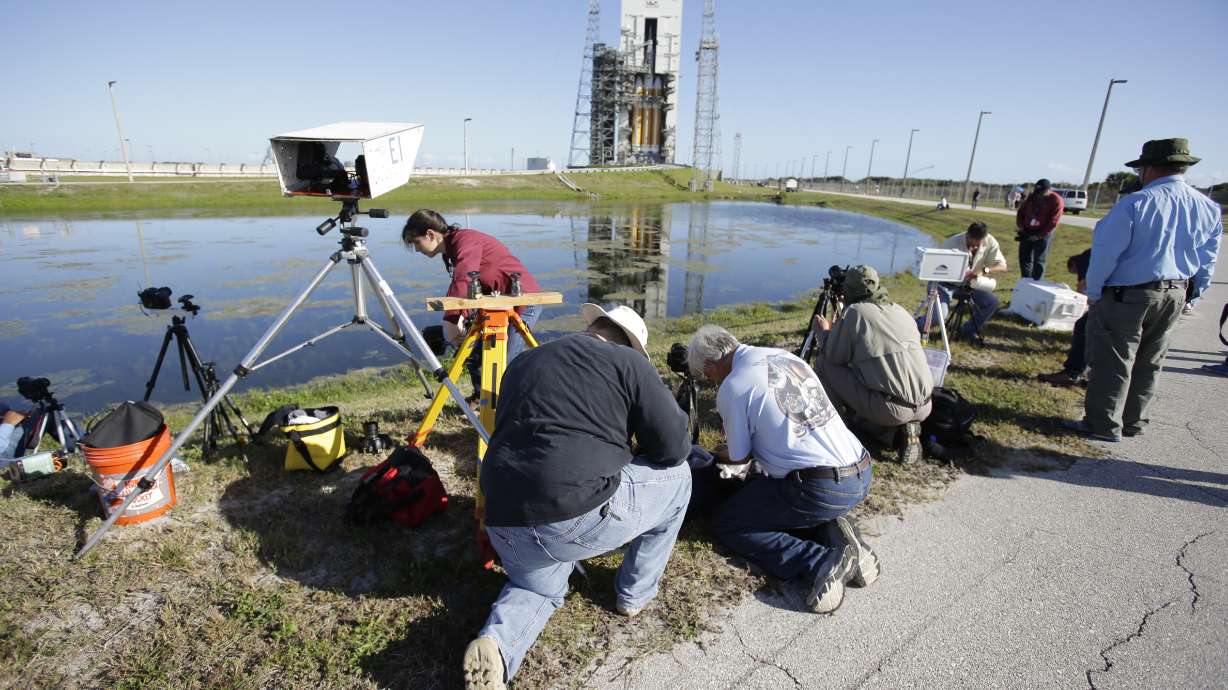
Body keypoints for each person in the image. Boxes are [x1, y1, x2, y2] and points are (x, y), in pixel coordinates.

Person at [463, 304, 692, 689]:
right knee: (680, 479)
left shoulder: (524, 361)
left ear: (594, 327)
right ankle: (635, 594)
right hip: (571, 513)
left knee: (539, 587)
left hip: (503, 517)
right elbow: (674, 449)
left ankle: (497, 647)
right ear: (632, 346)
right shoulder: (630, 364)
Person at [686, 325, 879, 615]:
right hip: (860, 472)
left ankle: (818, 562)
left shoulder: (734, 385)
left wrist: (716, 452)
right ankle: (834, 530)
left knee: (729, 521)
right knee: (768, 498)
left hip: (820, 487)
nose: (710, 381)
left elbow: (739, 460)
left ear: (711, 363)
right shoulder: (783, 356)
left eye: (706, 375)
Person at [1066, 138, 1222, 442]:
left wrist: (1094, 292)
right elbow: (1208, 258)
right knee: (1151, 360)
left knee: (1114, 359)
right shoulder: (1207, 208)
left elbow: (1105, 253)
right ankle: (1133, 421)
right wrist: (1194, 293)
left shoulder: (1135, 204)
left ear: (1148, 169)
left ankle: (1102, 424)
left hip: (1129, 295)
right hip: (1175, 292)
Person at [402, 209, 542, 403]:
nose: (417, 249)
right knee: (473, 351)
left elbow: (465, 276)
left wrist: (452, 319)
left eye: (416, 242)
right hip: (496, 303)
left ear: (430, 234)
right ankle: (481, 397)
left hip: (523, 301)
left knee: (505, 360)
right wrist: (462, 315)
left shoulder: (466, 241)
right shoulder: (451, 249)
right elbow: (465, 286)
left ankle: (507, 406)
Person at [810, 266, 934, 463]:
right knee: (873, 376)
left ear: (848, 289)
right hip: (926, 405)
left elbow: (834, 357)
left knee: (825, 364)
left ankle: (837, 436)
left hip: (890, 409)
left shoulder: (855, 313)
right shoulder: (900, 310)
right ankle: (896, 434)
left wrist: (824, 333)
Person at [923, 222, 1009, 340]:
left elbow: (1003, 266)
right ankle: (914, 327)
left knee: (991, 302)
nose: (973, 248)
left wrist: (985, 270)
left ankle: (967, 331)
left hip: (969, 284)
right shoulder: (951, 243)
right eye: (971, 245)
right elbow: (934, 268)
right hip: (943, 284)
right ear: (967, 235)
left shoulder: (990, 242)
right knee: (939, 316)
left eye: (977, 246)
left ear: (984, 239)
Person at [1038, 249, 1092, 386]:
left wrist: (1083, 302)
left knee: (1084, 326)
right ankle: (1098, 378)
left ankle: (1073, 373)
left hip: (1115, 296)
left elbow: (1082, 284)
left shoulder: (1083, 260)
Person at [1015, 178, 1065, 280]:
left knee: (1039, 259)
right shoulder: (1032, 197)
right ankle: (1026, 280)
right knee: (1024, 257)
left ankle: (1036, 283)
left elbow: (1053, 222)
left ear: (1049, 190)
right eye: (1037, 192)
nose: (1039, 195)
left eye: (1042, 192)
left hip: (1044, 232)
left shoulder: (1056, 200)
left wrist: (1039, 236)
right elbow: (1021, 212)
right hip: (1027, 230)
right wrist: (1021, 226)